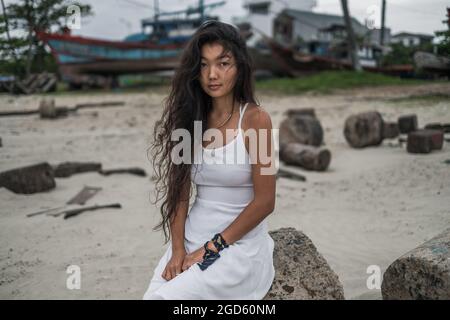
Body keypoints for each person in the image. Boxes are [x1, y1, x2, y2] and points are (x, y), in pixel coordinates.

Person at [143, 20, 276, 300]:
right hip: (192, 235)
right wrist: (178, 249)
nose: (212, 74)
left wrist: (210, 248)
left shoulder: (256, 120)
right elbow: (179, 192)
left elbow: (265, 202)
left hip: (237, 244)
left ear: (239, 67)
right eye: (204, 65)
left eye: (223, 63)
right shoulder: (189, 120)